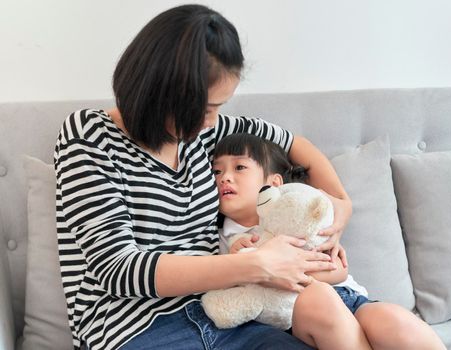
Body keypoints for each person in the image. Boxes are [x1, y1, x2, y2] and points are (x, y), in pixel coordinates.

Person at [54, 4, 353, 350]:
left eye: (219, 108)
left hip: (225, 316)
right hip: (131, 329)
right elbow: (118, 268)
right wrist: (255, 265)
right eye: (205, 108)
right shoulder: (88, 135)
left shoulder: (205, 134)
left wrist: (342, 207)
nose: (212, 120)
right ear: (162, 91)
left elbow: (295, 144)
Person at [212, 133, 446, 350]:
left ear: (274, 184)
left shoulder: (300, 217)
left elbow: (339, 271)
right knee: (317, 297)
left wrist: (293, 274)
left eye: (239, 167)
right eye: (217, 172)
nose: (225, 178)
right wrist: (241, 263)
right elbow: (232, 294)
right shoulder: (227, 237)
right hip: (296, 318)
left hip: (349, 299)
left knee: (393, 320)